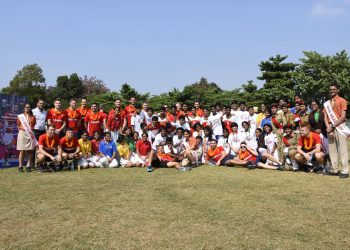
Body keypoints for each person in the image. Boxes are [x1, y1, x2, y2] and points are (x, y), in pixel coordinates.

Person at [323, 83, 349, 178]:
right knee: (332, 149)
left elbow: (343, 117)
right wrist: (328, 127)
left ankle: (345, 171)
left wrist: (332, 126)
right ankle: (334, 169)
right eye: (330, 89)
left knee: (343, 149)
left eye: (334, 89)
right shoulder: (326, 103)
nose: (331, 91)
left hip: (339, 126)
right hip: (330, 127)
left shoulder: (342, 100)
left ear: (338, 90)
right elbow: (325, 116)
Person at [16, 103, 36, 172]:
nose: (27, 108)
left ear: (30, 108)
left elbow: (33, 125)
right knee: (22, 150)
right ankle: (20, 166)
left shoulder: (33, 117)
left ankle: (28, 165)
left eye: (29, 107)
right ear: (24, 108)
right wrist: (22, 130)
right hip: (22, 133)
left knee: (30, 150)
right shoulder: (20, 116)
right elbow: (18, 125)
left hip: (30, 134)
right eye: (26, 107)